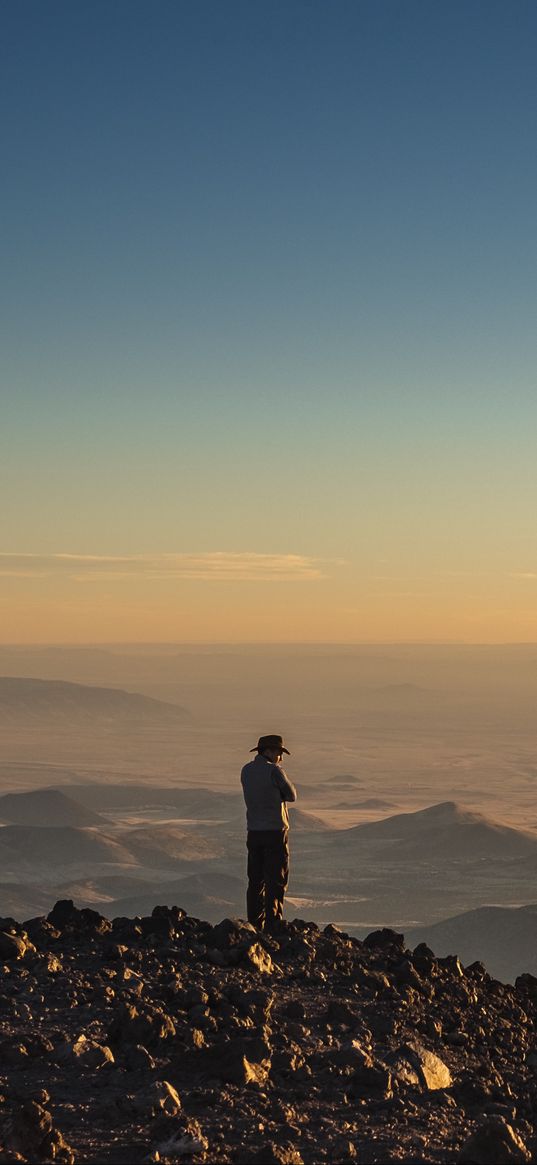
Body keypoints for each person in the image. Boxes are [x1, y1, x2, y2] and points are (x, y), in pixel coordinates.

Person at [240, 734, 297, 932]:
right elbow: (292, 795)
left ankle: (254, 923)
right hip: (275, 831)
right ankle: (273, 924)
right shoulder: (274, 771)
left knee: (255, 880)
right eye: (280, 753)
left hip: (253, 831)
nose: (280, 757)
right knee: (276, 879)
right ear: (271, 751)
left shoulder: (246, 770)